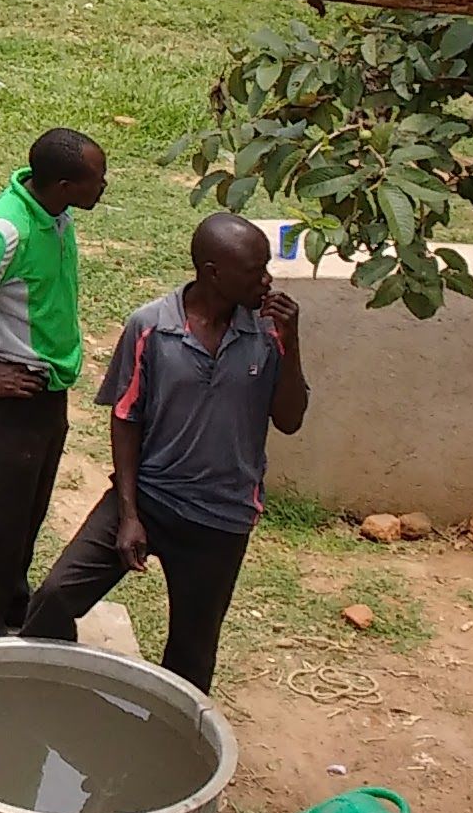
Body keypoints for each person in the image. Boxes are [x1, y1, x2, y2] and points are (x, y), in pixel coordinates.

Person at [20, 214, 308, 689]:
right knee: (52, 599)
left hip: (221, 517)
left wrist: (291, 344)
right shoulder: (151, 327)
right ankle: (60, 693)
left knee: (191, 658)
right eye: (255, 270)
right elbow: (126, 418)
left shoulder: (270, 331)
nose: (267, 279)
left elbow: (291, 419)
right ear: (213, 272)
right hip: (148, 499)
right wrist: (129, 514)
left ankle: (165, 750)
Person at [0, 127, 110, 641]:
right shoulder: (6, 230)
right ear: (63, 185)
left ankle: (12, 604)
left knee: (28, 507)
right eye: (96, 180)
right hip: (8, 395)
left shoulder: (54, 215)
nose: (104, 187)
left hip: (45, 389)